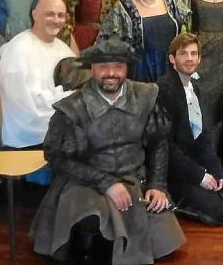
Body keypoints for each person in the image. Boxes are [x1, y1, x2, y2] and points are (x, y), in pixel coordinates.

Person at [31, 39, 185, 263]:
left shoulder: (146, 96)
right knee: (91, 226)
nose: (111, 73)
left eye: (118, 66)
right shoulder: (72, 108)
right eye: (103, 66)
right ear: (92, 68)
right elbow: (57, 158)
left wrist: (157, 185)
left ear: (127, 69)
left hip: (134, 178)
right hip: (85, 180)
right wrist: (106, 183)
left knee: (157, 242)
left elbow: (159, 143)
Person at [157, 34, 223, 225]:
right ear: (172, 58)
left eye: (194, 54)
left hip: (193, 160)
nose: (189, 58)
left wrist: (215, 169)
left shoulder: (195, 87)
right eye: (183, 54)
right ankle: (175, 203)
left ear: (199, 58)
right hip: (173, 168)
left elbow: (202, 135)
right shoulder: (163, 89)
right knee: (218, 213)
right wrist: (200, 175)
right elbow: (166, 146)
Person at [0, 0, 74, 148]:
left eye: (60, 15)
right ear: (34, 15)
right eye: (49, 14)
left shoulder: (62, 47)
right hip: (30, 136)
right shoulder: (19, 49)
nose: (56, 20)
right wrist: (74, 97)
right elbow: (30, 107)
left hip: (58, 124)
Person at [98, 0, 191, 82]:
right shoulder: (123, 8)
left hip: (172, 71)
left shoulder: (173, 2)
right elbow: (105, 43)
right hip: (139, 75)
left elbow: (188, 36)